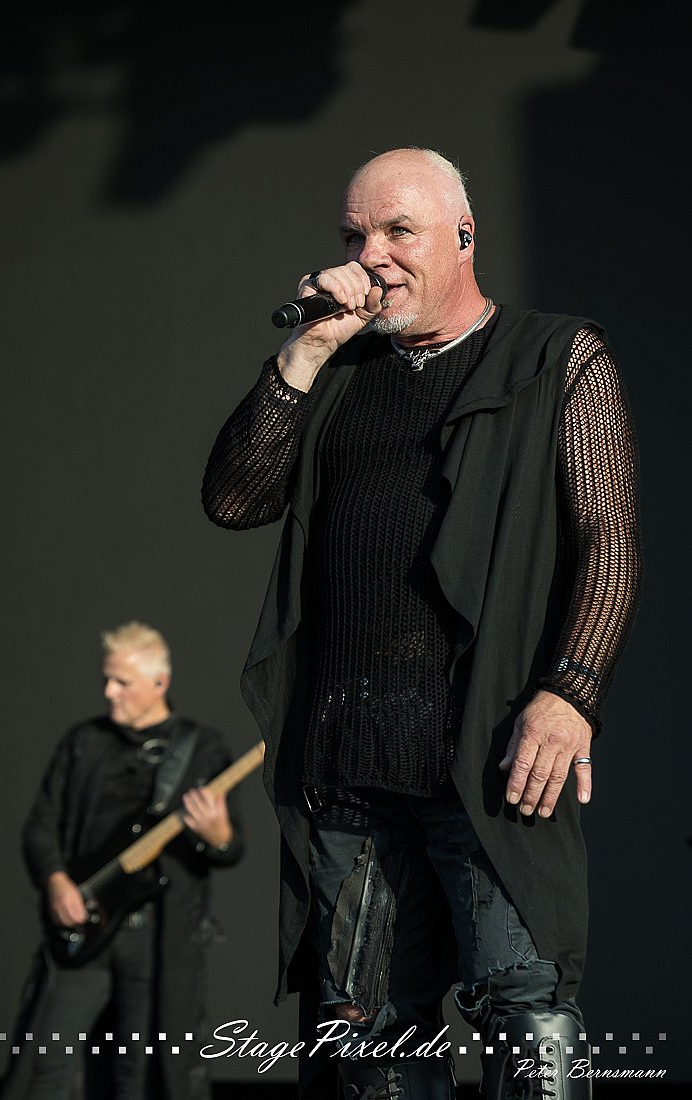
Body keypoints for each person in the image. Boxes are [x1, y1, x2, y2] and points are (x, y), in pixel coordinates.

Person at [201, 148, 641, 1100]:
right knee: (366, 1039)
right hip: (348, 763)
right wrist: (305, 353)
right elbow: (234, 502)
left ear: (463, 236)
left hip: (487, 754)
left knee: (525, 1014)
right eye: (354, 235)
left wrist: (570, 693)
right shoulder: (340, 371)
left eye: (399, 230)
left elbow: (606, 540)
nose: (372, 255)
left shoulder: (554, 357)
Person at [2, 621, 244, 1100]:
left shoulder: (201, 748)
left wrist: (217, 834)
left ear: (159, 682)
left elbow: (231, 848)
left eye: (122, 682)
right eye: (106, 679)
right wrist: (56, 882)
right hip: (84, 924)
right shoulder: (84, 741)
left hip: (156, 937)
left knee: (139, 1072)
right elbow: (40, 824)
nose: (109, 692)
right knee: (47, 1063)